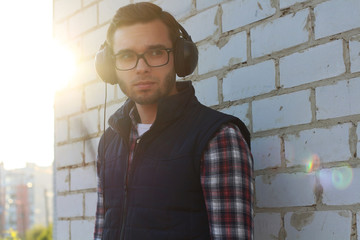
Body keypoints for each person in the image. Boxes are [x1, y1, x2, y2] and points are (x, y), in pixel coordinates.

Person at [93, 2, 253, 240]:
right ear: (109, 67)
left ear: (181, 58)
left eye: (156, 52)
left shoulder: (217, 137)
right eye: (126, 56)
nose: (141, 68)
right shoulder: (110, 141)